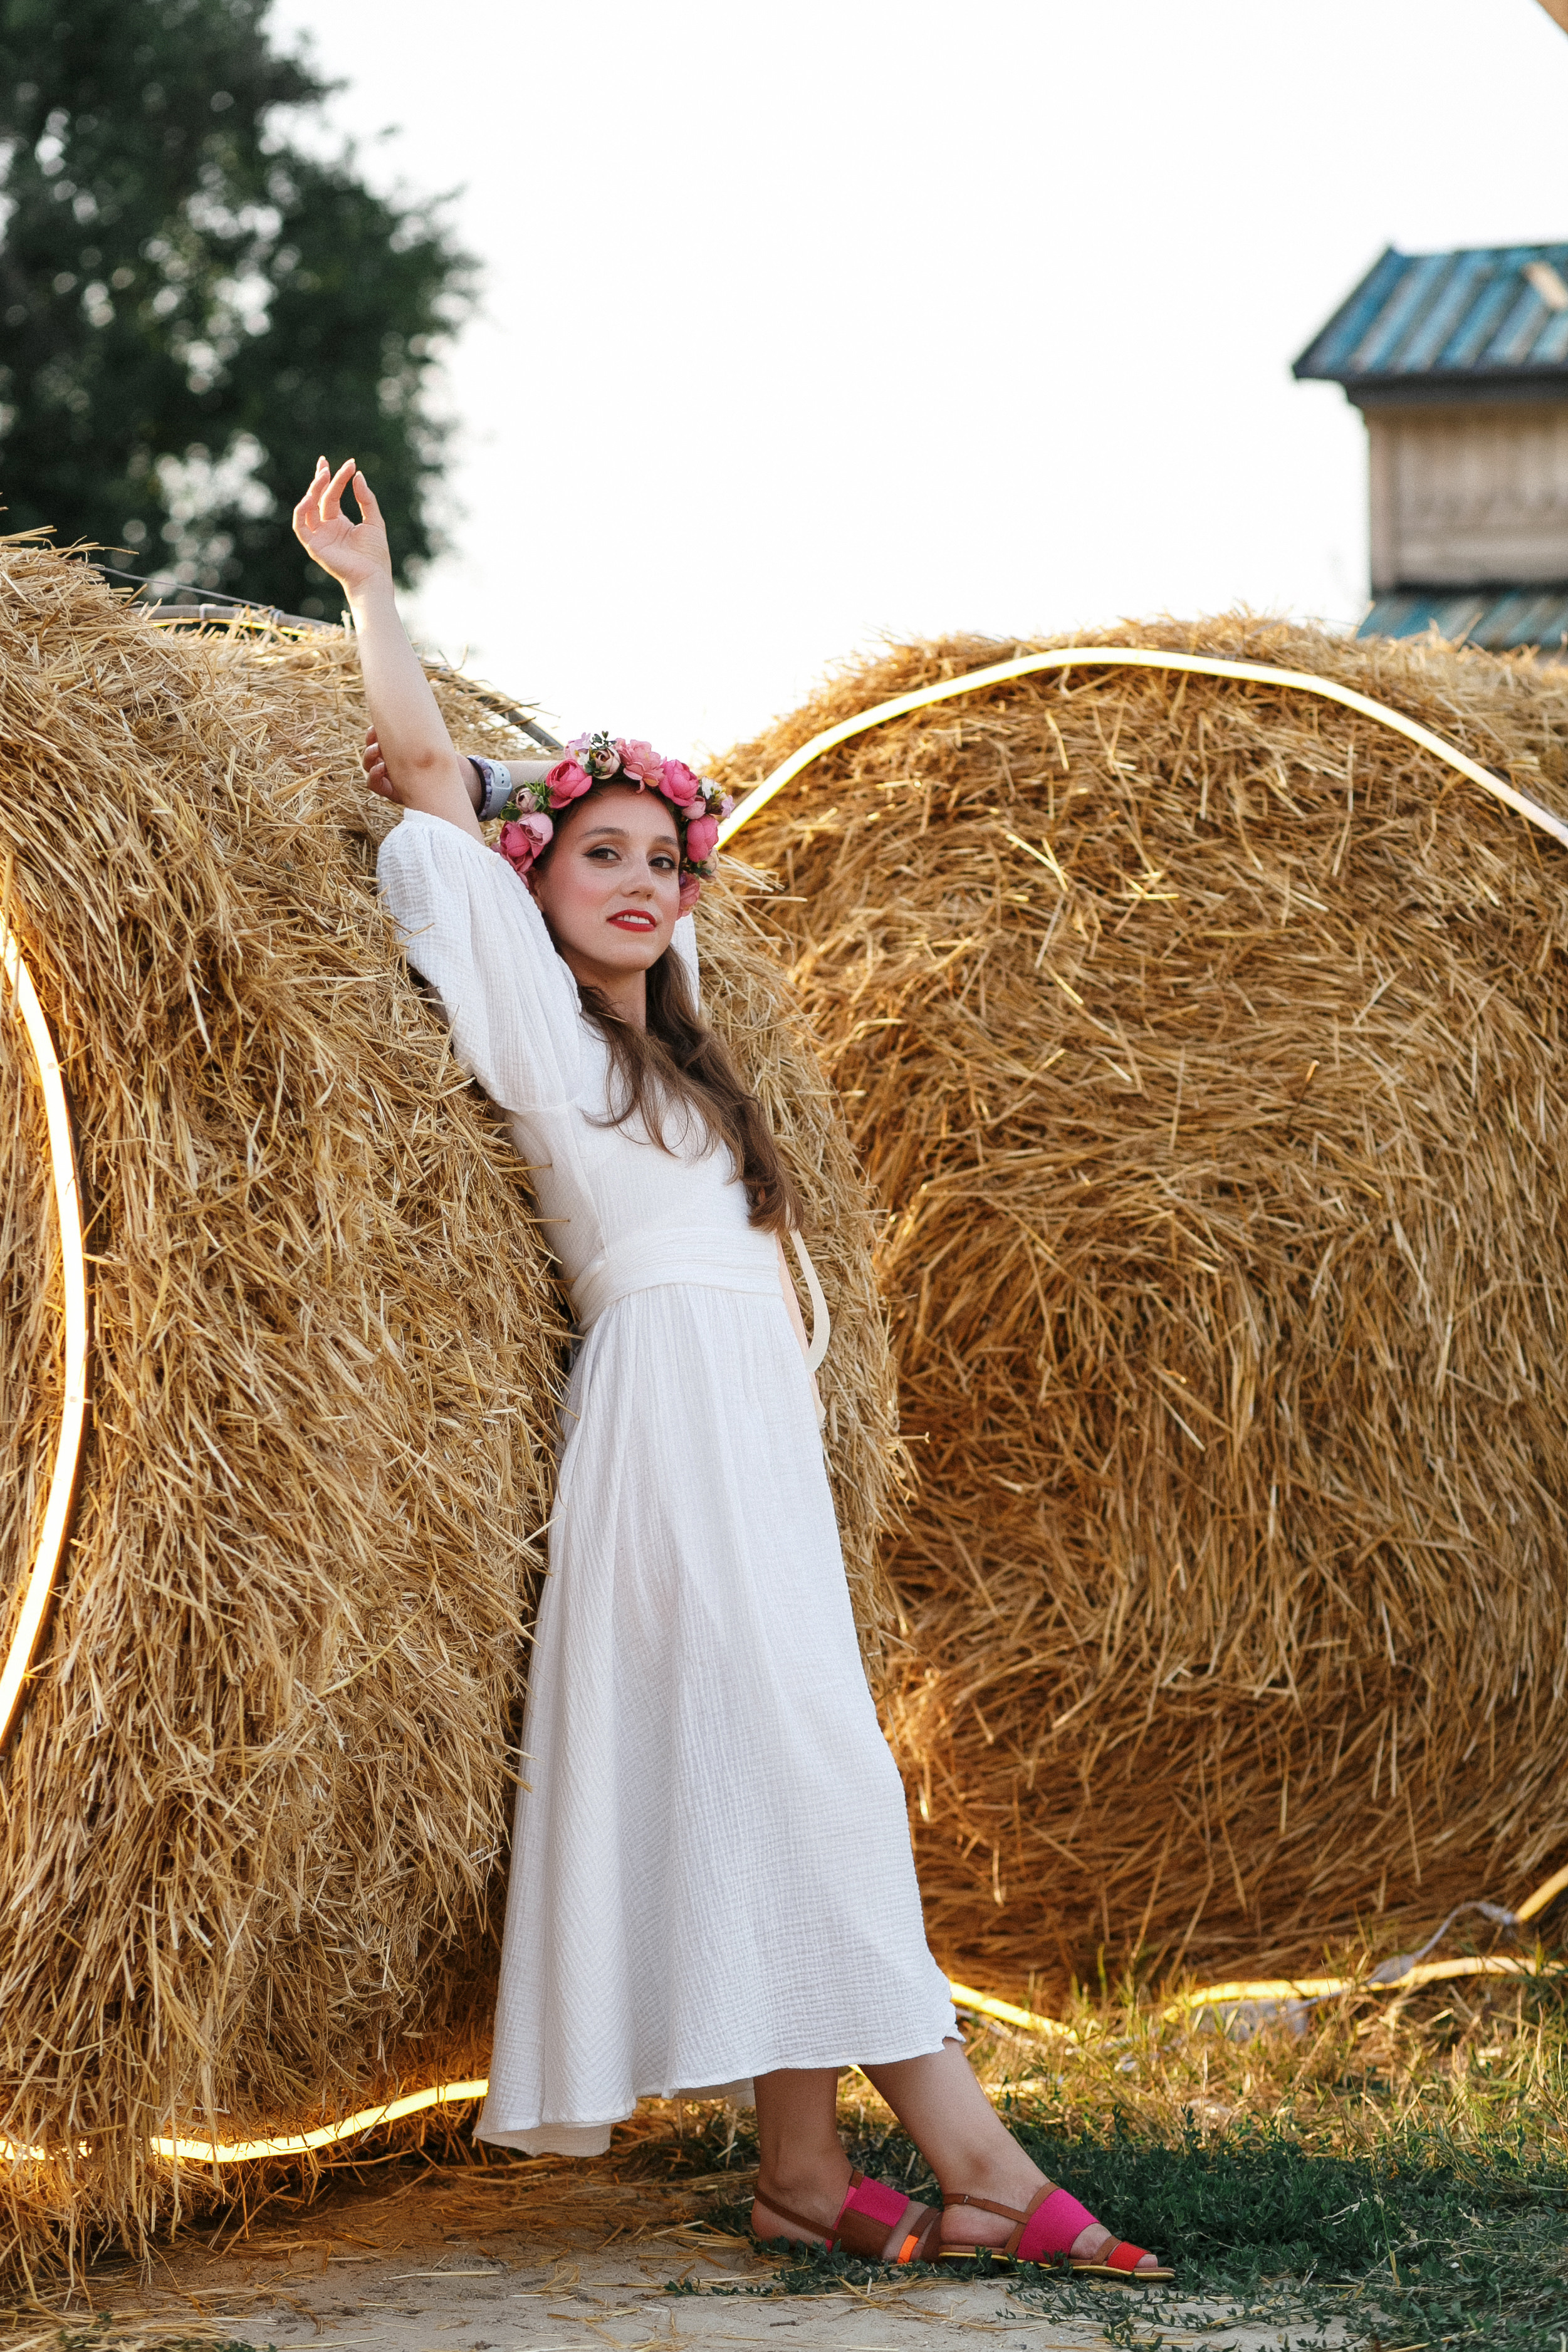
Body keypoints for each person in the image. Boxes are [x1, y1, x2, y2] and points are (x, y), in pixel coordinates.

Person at [291, 457, 1169, 2280]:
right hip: (667, 1426)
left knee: (798, 1758)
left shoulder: (694, 1069)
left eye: (660, 859)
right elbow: (443, 803)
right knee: (806, 1765)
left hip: (749, 1428)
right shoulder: (540, 1028)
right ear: (536, 881)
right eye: (595, 852)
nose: (634, 879)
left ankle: (796, 2167)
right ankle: (974, 2152)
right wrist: (374, 599)